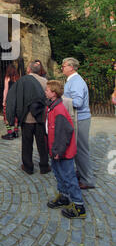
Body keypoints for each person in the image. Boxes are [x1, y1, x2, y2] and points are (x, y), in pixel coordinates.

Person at [45, 80, 86, 219]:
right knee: (59, 174)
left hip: (62, 152)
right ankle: (64, 197)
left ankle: (79, 206)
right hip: (55, 150)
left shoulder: (59, 110)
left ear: (54, 93)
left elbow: (64, 133)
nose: (45, 91)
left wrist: (58, 151)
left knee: (69, 177)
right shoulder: (51, 106)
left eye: (47, 90)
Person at [6, 61, 51, 174]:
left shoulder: (22, 81)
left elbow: (14, 99)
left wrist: (13, 116)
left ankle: (28, 166)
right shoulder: (45, 81)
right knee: (42, 143)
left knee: (27, 143)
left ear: (29, 70)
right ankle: (44, 166)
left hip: (27, 118)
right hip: (40, 117)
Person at [62, 57, 95, 189]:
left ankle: (87, 180)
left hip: (80, 119)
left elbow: (77, 102)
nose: (62, 68)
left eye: (63, 66)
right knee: (78, 149)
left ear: (71, 67)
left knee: (81, 150)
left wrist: (61, 100)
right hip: (78, 118)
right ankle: (82, 173)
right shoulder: (73, 80)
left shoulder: (76, 82)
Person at [2, 64, 20, 139]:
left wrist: (4, 100)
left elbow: (6, 89)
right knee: (16, 115)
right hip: (17, 98)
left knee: (6, 115)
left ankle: (9, 132)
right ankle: (16, 131)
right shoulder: (18, 78)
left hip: (10, 98)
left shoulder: (7, 78)